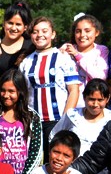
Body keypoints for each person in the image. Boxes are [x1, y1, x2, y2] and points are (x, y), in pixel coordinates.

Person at [20, 16, 81, 157]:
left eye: (44, 31)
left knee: (54, 159)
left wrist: (65, 120)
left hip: (57, 119)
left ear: (53, 34)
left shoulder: (63, 58)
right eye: (35, 32)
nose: (40, 34)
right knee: (30, 160)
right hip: (33, 120)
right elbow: (24, 93)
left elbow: (73, 91)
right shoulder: (26, 62)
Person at [51, 78, 111, 174]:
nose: (95, 104)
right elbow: (54, 137)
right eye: (91, 99)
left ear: (107, 99)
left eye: (100, 100)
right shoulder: (72, 115)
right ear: (84, 97)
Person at [0, 2, 34, 115]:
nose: (13, 28)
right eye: (10, 23)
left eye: (18, 24)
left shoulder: (32, 47)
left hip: (24, 106)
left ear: (25, 27)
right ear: (4, 24)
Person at [60, 14, 109, 85]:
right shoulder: (67, 50)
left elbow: (101, 77)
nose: (82, 35)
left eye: (87, 31)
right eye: (78, 31)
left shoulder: (101, 50)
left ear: (96, 33)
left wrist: (77, 56)